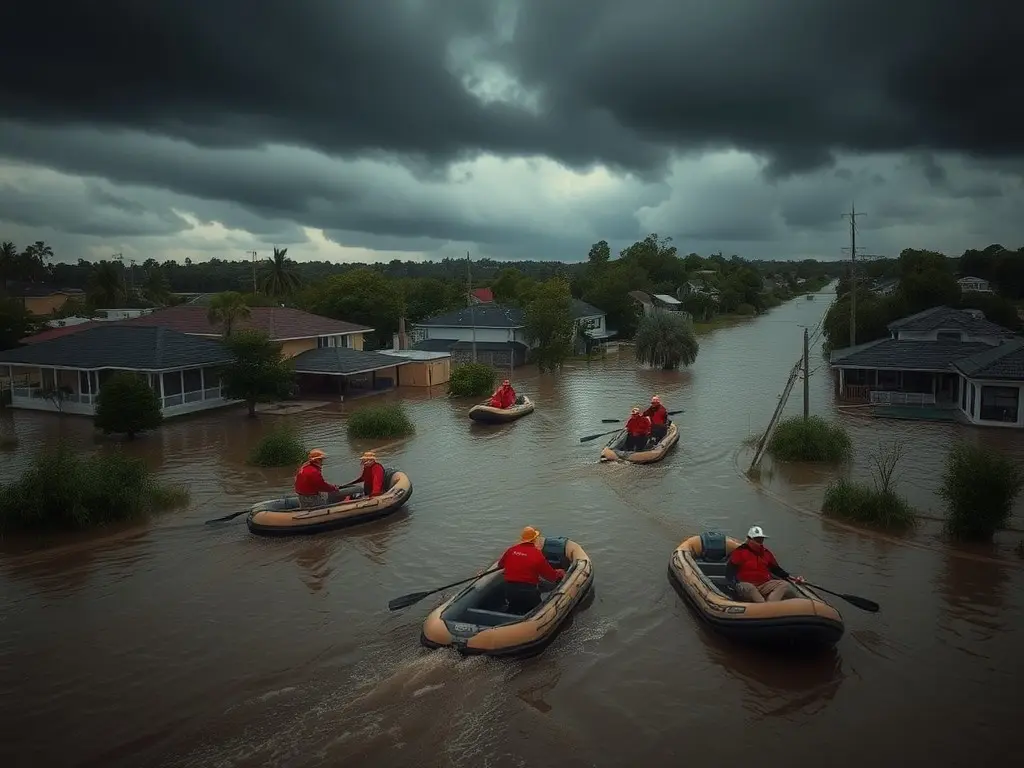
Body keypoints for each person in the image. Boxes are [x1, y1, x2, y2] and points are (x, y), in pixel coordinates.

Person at [725, 526, 805, 603]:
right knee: (751, 588)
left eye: (761, 540)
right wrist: (734, 585)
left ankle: (769, 606)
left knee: (784, 584)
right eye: (757, 540)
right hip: (745, 585)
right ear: (749, 540)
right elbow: (730, 571)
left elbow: (776, 570)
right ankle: (764, 606)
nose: (759, 543)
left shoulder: (766, 553)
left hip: (763, 584)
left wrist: (794, 579)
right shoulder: (740, 552)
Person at [498, 526, 565, 614]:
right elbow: (551, 577)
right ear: (534, 539)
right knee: (538, 611)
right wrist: (560, 573)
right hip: (528, 593)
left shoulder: (511, 550)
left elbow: (500, 565)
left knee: (514, 607)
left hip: (510, 591)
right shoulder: (537, 555)